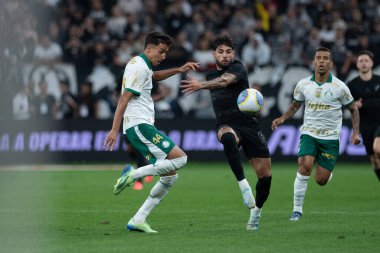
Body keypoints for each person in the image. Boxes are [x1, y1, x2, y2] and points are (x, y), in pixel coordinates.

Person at [103, 31, 198, 233]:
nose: (163, 57)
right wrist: (113, 129)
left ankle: (138, 219)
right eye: (161, 52)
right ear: (149, 48)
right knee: (181, 159)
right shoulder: (138, 67)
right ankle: (133, 174)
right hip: (140, 125)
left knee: (170, 177)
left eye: (165, 53)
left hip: (141, 125)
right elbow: (123, 99)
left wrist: (179, 69)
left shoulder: (141, 65)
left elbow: (154, 76)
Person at [180, 35, 272, 231]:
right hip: (226, 123)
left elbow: (225, 81)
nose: (225, 55)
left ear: (234, 54)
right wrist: (203, 83)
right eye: (220, 52)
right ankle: (243, 185)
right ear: (213, 54)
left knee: (265, 177)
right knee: (228, 137)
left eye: (228, 51)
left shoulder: (238, 68)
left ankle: (256, 213)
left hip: (249, 124)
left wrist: (201, 85)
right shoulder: (210, 75)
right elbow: (217, 81)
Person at [271, 47, 361, 221]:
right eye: (318, 58)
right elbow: (295, 105)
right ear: (313, 62)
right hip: (309, 133)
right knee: (304, 165)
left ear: (331, 63)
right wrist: (282, 118)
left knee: (320, 180)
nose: (321, 61)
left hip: (330, 138)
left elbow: (353, 109)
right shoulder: (303, 84)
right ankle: (297, 210)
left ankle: (326, 173)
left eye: (325, 58)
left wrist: (355, 133)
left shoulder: (340, 87)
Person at [347, 50, 380, 181]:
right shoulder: (352, 85)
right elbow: (346, 104)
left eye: (366, 60)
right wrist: (352, 105)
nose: (364, 63)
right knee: (375, 161)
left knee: (378, 149)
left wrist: (363, 104)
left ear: (372, 63)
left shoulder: (379, 81)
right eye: (361, 61)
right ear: (357, 64)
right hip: (365, 125)